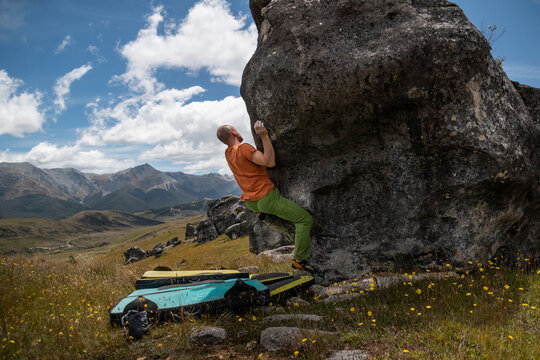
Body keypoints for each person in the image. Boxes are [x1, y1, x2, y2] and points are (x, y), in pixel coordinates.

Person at [216, 121, 315, 273]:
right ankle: (299, 260)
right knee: (304, 220)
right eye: (236, 129)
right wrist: (264, 136)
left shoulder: (228, 153)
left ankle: (262, 213)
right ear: (234, 133)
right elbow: (269, 162)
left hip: (251, 203)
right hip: (266, 198)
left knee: (262, 208)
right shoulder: (244, 148)